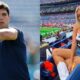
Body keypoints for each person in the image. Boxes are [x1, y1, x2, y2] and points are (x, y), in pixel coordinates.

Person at [0, 1, 30, 80]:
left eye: (4, 14)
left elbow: (5, 34)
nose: (1, 17)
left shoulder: (16, 33)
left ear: (9, 18)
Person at [52, 6, 80, 80]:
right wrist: (71, 61)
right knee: (55, 52)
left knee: (65, 63)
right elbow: (74, 44)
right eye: (78, 15)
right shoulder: (76, 25)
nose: (79, 17)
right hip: (77, 51)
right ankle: (65, 78)